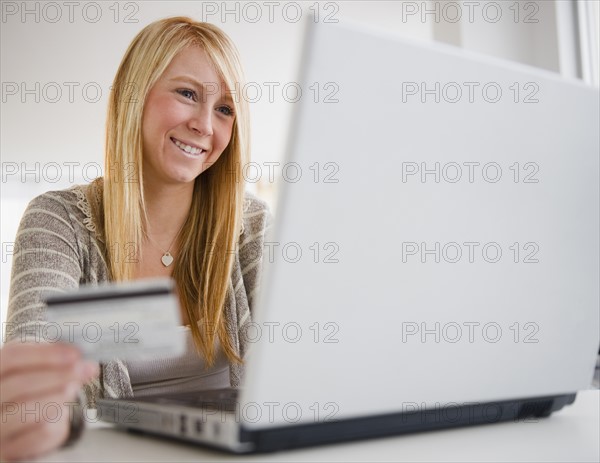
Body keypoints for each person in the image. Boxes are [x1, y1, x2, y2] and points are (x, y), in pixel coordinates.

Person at [0, 16, 271, 461]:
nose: (205, 124)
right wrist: (36, 414)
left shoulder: (252, 226)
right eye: (187, 94)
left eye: (225, 108)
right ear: (134, 95)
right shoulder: (58, 222)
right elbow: (37, 363)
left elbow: (299, 366)